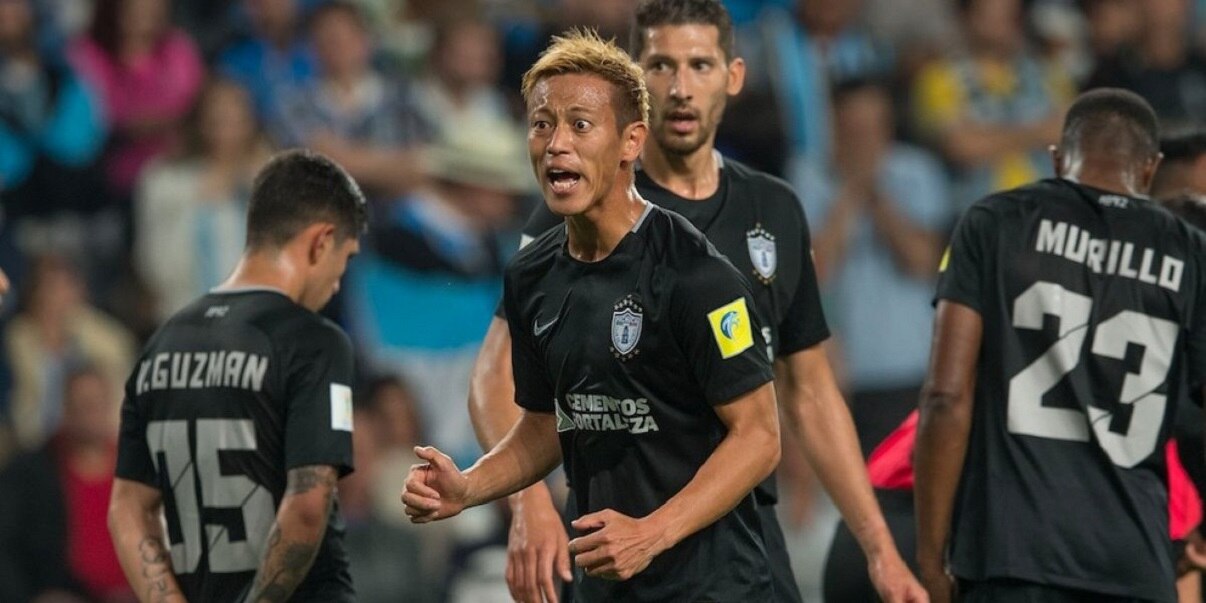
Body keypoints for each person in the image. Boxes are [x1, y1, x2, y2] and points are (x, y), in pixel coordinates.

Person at [468, 2, 924, 602]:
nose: (680, 88)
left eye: (700, 65)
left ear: (732, 76)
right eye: (661, 66)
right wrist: (528, 504)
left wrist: (879, 548)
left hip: (740, 540)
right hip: (615, 541)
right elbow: (495, 377)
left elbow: (810, 390)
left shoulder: (774, 208)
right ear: (637, 80)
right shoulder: (580, 206)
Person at [403, 29, 783, 602]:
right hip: (603, 586)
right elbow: (544, 425)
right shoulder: (531, 276)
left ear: (631, 141)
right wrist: (469, 487)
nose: (556, 143)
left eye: (580, 125)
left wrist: (651, 534)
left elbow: (758, 436)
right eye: (541, 124)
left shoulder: (694, 274)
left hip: (710, 586)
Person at [915, 88, 1206, 602]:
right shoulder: (1192, 252)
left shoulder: (992, 223)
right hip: (1135, 559)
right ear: (1149, 169)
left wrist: (931, 557)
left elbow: (946, 397)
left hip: (1013, 556)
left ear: (1056, 159)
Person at [107, 149, 366, 602]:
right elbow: (308, 503)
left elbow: (128, 508)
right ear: (321, 241)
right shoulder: (314, 341)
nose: (338, 282)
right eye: (345, 258)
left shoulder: (162, 342)